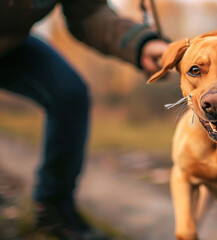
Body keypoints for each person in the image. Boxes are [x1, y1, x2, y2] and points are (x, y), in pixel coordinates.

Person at [0, 0, 168, 239]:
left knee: (69, 95)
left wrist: (142, 44)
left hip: (9, 44)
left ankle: (53, 210)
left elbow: (89, 13)